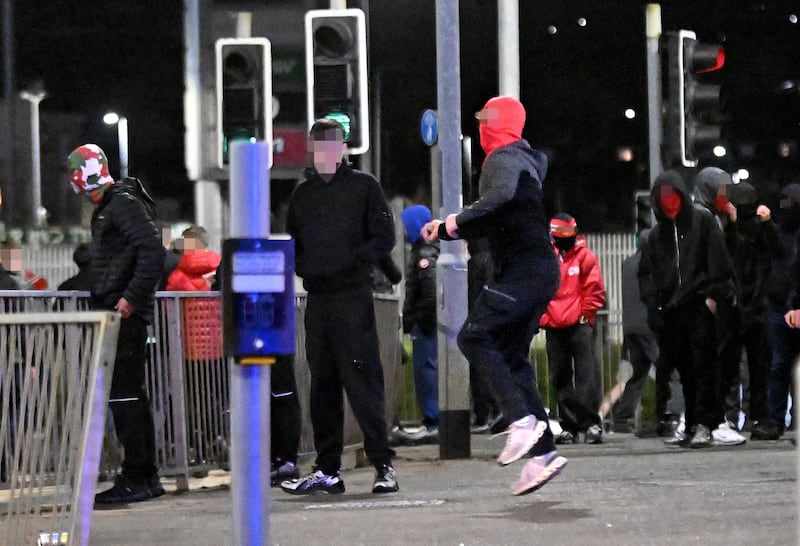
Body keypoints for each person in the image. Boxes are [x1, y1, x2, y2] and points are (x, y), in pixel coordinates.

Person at [421, 95, 567, 496]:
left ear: (497, 123)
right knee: (512, 356)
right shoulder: (523, 161)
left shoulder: (501, 158)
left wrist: (450, 223)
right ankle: (543, 455)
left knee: (474, 336)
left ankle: (520, 421)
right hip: (539, 271)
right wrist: (449, 228)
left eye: (486, 118)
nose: (481, 125)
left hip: (525, 271)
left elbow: (496, 200)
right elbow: (495, 216)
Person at [282, 118, 398, 495]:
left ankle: (383, 465)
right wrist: (309, 267)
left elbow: (384, 237)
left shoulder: (364, 187)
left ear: (342, 148)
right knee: (323, 387)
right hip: (319, 300)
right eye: (318, 148)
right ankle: (327, 469)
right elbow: (293, 241)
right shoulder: (303, 195)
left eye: (330, 147)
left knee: (363, 383)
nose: (324, 155)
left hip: (352, 297)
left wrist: (353, 261)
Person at [67, 143, 166, 503]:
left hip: (123, 314)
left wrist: (130, 298)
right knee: (130, 397)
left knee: (125, 397)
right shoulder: (119, 204)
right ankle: (143, 476)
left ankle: (138, 477)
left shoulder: (120, 205)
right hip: (122, 311)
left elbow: (151, 250)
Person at [638, 170, 736, 449]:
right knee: (686, 369)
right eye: (662, 196)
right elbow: (646, 274)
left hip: (698, 304)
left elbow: (718, 259)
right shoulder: (656, 236)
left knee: (704, 366)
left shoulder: (702, 222)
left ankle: (705, 423)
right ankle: (693, 423)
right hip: (672, 310)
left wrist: (712, 296)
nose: (668, 201)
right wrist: (655, 304)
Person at [691, 167, 746, 446]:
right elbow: (712, 261)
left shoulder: (713, 216)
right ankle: (711, 422)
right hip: (709, 302)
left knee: (715, 363)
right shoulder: (702, 217)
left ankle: (709, 421)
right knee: (711, 364)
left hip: (714, 299)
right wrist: (712, 294)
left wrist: (732, 224)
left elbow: (727, 257)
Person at [539, 213, 606, 444]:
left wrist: (586, 317)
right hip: (554, 326)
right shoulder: (546, 259)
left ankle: (590, 423)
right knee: (560, 376)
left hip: (579, 325)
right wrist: (545, 318)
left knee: (587, 376)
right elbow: (539, 290)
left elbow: (595, 289)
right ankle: (569, 425)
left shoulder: (585, 257)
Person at [727, 182, 780, 440]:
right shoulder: (728, 230)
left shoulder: (760, 231)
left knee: (759, 367)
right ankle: (730, 418)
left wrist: (767, 224)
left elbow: (777, 249)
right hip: (737, 306)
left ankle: (756, 416)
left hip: (756, 306)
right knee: (731, 367)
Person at [611, 229, 664, 435]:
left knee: (637, 373)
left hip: (630, 327)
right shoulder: (652, 265)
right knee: (665, 369)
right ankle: (670, 413)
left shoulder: (626, 264)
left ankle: (621, 419)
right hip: (648, 325)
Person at [400, 204, 439, 440]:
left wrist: (416, 318)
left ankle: (432, 420)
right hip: (425, 322)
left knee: (425, 371)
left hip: (425, 323)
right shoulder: (424, 251)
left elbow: (429, 292)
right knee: (426, 370)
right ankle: (432, 418)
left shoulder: (424, 255)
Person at [765, 183, 800, 438]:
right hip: (779, 306)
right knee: (779, 365)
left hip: (790, 306)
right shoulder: (777, 234)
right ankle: (776, 419)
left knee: (783, 365)